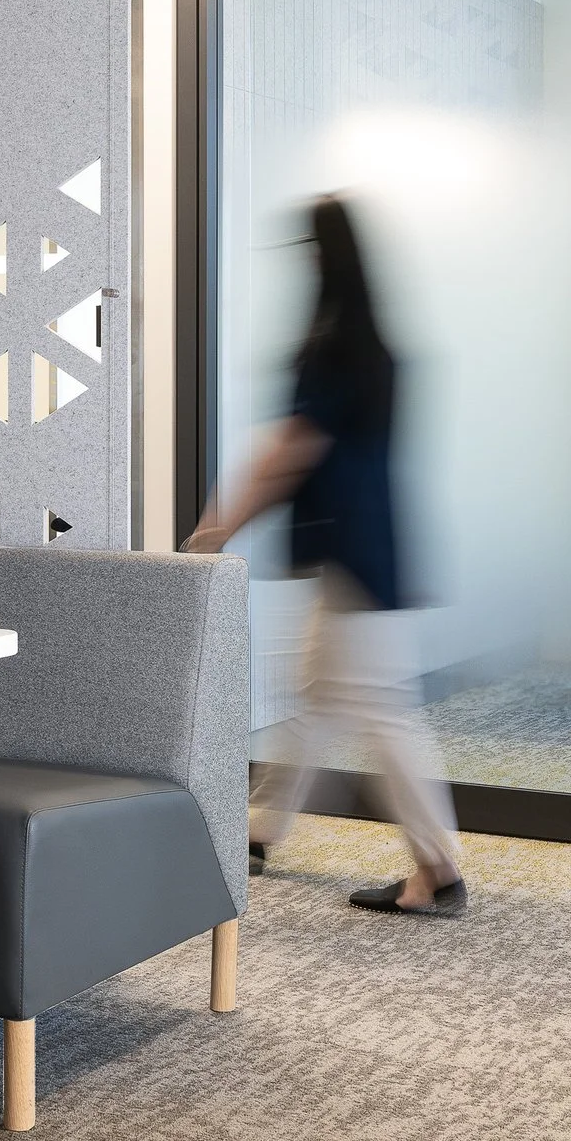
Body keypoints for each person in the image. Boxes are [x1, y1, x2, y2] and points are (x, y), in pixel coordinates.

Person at [183, 195, 466, 916]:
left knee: (378, 707)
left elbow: (292, 448)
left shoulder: (334, 342)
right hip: (370, 542)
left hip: (351, 550)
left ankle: (438, 865)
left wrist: (220, 525)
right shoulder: (375, 343)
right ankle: (259, 826)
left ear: (322, 255)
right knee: (315, 692)